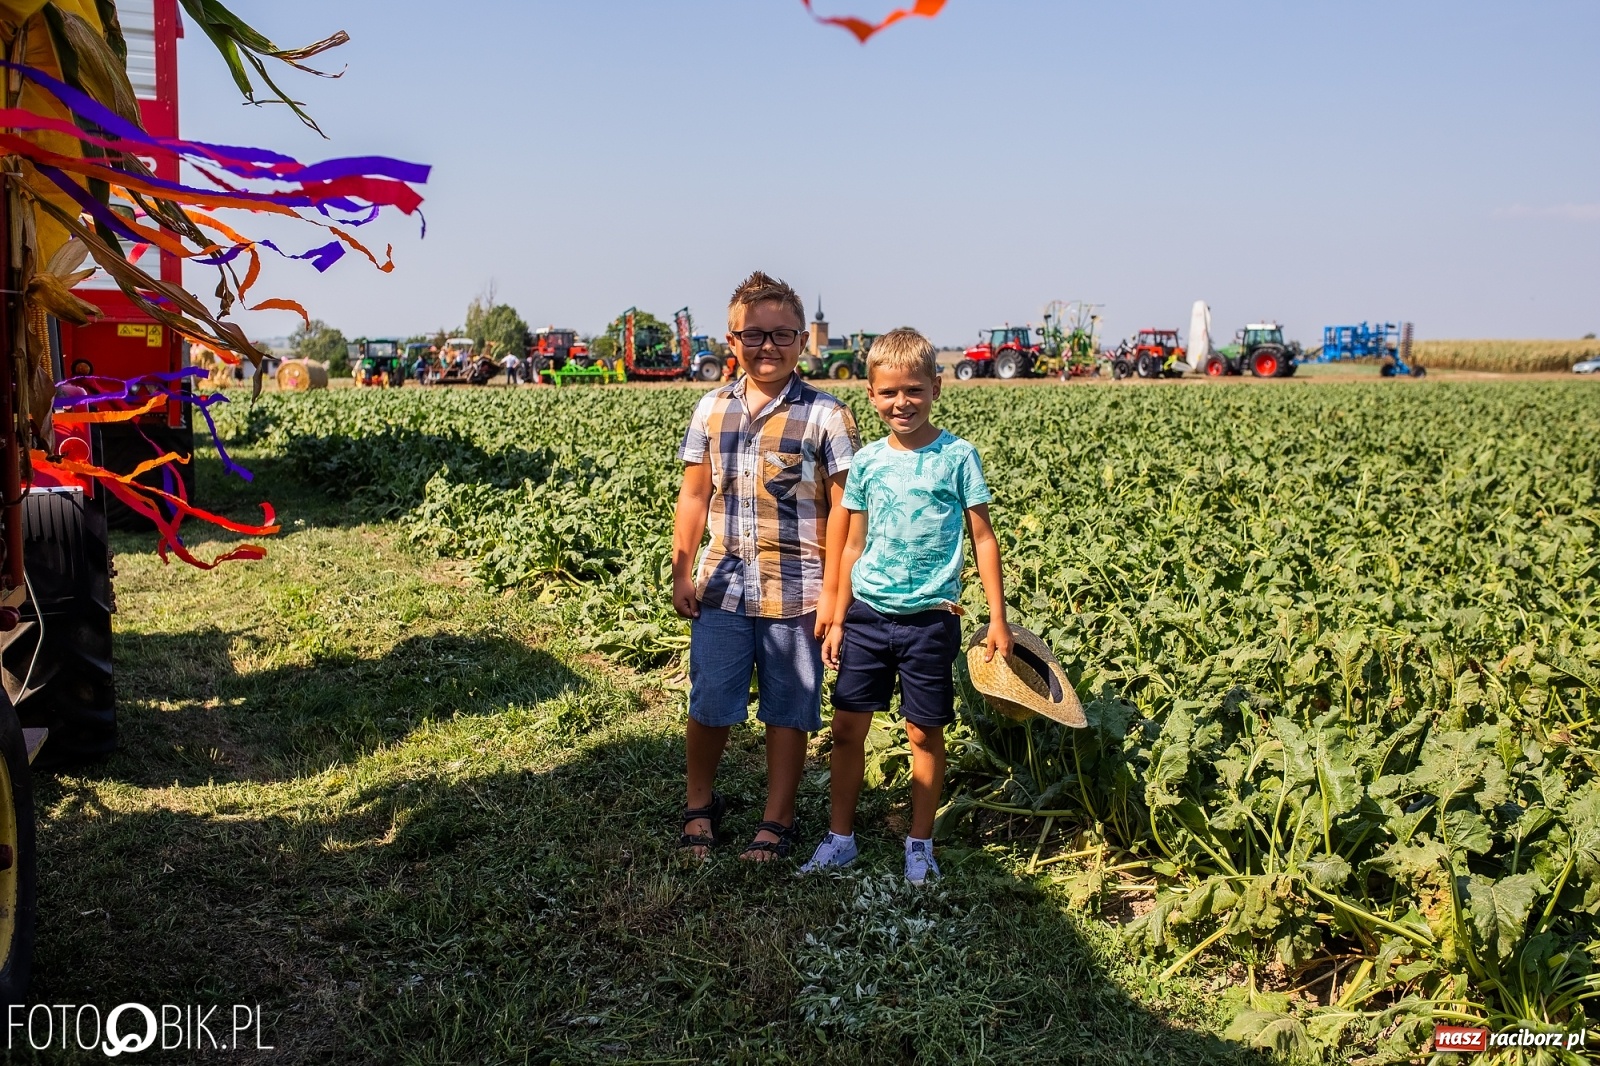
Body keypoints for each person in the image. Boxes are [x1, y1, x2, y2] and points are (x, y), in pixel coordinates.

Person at [800, 326, 1012, 885]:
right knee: (847, 728)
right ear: (871, 395)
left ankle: (920, 845)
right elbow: (850, 545)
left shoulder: (958, 456)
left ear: (937, 387)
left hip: (931, 620)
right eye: (890, 392)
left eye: (914, 390)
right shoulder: (867, 462)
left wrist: (997, 619)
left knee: (924, 732)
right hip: (867, 615)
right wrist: (839, 617)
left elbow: (983, 539)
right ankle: (839, 837)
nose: (903, 403)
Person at [673, 271, 860, 862]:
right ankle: (699, 805)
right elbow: (695, 495)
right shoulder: (710, 409)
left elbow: (844, 510)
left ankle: (776, 820)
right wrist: (682, 571)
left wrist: (836, 595)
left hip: (799, 589)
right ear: (731, 342)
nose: (768, 347)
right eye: (753, 336)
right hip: (722, 585)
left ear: (802, 340)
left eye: (782, 335)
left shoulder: (828, 416)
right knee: (710, 702)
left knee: (791, 707)